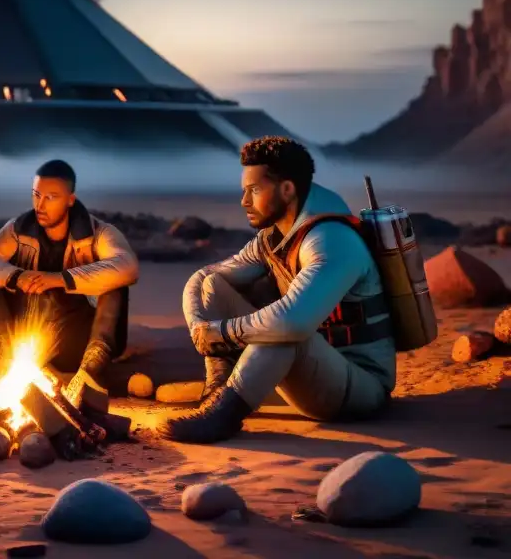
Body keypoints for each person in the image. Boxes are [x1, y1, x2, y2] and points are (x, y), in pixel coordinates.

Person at [159, 135, 396, 444]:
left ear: (287, 189)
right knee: (214, 286)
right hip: (312, 368)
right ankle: (218, 391)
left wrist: (222, 332)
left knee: (281, 330)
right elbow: (204, 277)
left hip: (359, 386)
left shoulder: (331, 240)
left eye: (254, 190)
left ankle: (224, 417)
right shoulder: (274, 239)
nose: (244, 201)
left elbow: (292, 323)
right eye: (245, 191)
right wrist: (200, 327)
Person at [0, 159, 139, 399]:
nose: (40, 205)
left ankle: (92, 368)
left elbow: (128, 267)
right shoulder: (20, 229)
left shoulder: (99, 233)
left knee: (115, 282)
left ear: (70, 200)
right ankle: (1, 361)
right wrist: (16, 276)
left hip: (79, 339)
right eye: (36, 195)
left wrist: (60, 279)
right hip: (33, 337)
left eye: (51, 197)